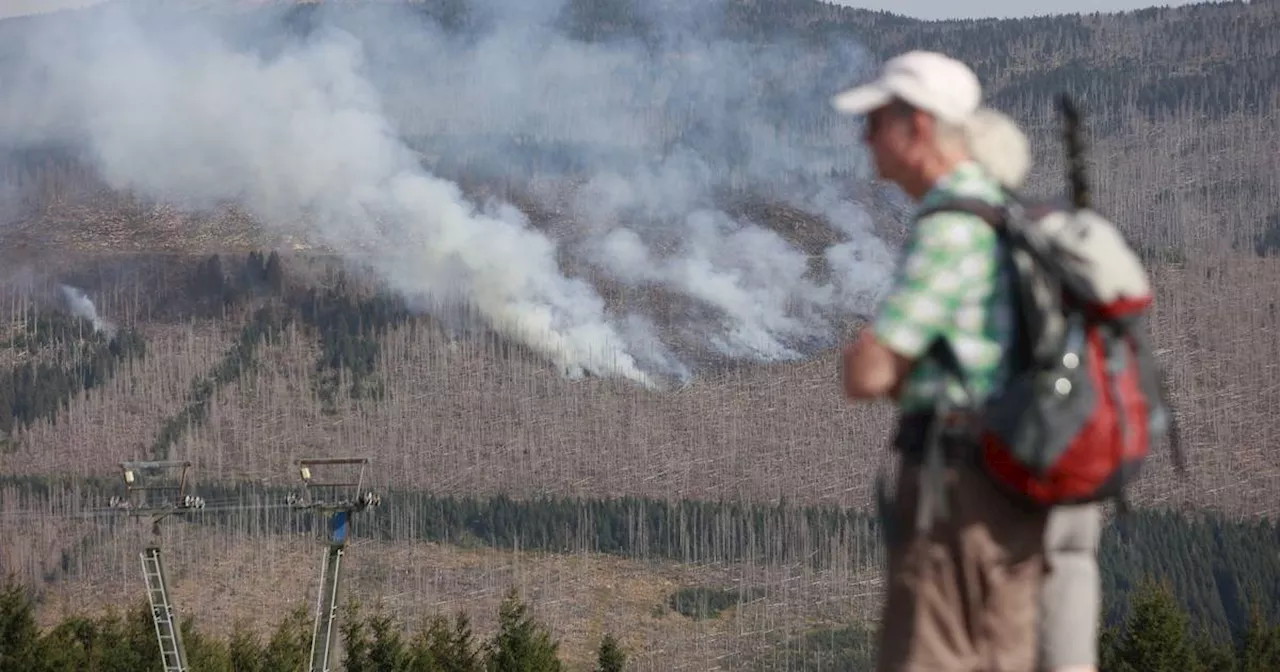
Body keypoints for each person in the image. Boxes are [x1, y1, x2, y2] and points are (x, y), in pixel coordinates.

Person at [832, 50, 1049, 671]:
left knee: (926, 655)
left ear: (918, 127)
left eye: (873, 122)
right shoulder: (1002, 209)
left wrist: (871, 357)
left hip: (957, 483)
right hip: (1013, 478)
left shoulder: (950, 224)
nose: (865, 138)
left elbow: (868, 373)